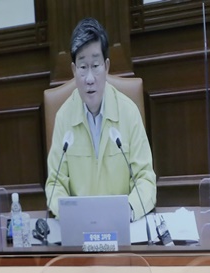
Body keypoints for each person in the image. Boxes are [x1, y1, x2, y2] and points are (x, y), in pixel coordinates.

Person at [45, 17, 157, 221]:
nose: (89, 78)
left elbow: (145, 179)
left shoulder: (128, 112)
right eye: (82, 67)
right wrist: (68, 215)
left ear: (106, 67)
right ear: (73, 70)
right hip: (79, 231)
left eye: (95, 65)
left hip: (123, 226)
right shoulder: (64, 117)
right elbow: (55, 184)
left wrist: (129, 211)